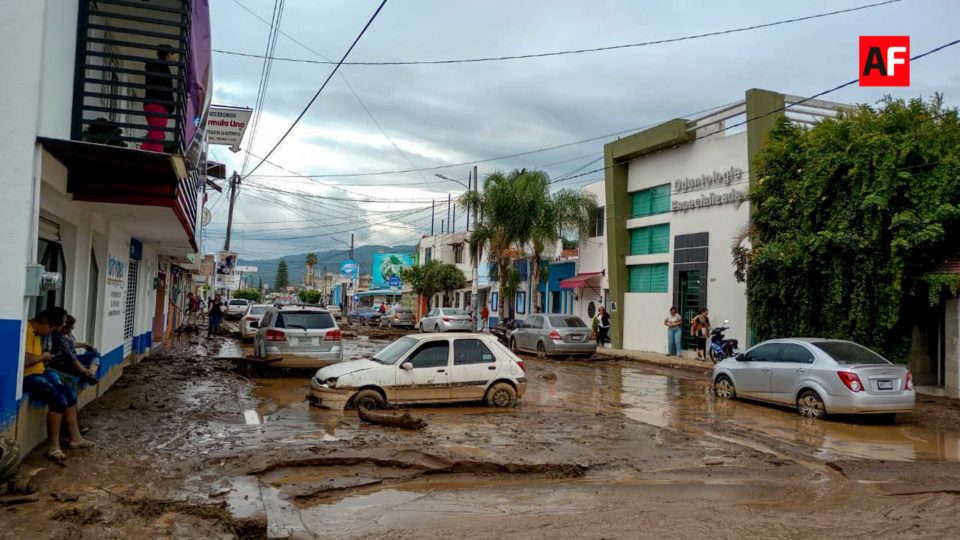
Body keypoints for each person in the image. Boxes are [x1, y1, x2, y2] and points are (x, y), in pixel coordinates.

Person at [22, 309, 90, 461]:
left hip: (40, 372)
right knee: (58, 400)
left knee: (70, 394)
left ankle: (76, 438)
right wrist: (43, 356)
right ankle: (53, 447)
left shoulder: (36, 333)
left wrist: (43, 359)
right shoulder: (25, 332)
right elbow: (25, 361)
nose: (50, 333)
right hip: (28, 376)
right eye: (51, 329)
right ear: (46, 325)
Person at [142, 44, 177, 152]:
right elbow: (167, 90)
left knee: (153, 133)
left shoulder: (151, 67)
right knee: (158, 135)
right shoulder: (165, 70)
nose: (175, 57)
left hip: (148, 106)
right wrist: (171, 106)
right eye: (173, 54)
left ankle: (141, 153)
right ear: (168, 54)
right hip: (161, 107)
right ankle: (158, 158)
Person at [51, 315, 100, 386]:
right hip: (65, 362)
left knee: (95, 354)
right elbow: (71, 357)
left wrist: (83, 345)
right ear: (65, 327)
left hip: (74, 357)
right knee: (79, 368)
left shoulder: (68, 334)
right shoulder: (59, 338)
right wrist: (83, 369)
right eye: (71, 326)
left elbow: (72, 344)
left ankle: (91, 373)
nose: (73, 328)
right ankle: (88, 374)